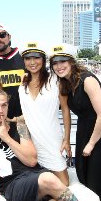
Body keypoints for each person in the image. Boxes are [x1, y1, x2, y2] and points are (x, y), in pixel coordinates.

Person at [0, 82, 97, 201]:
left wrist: (7, 138)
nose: (0, 110)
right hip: (13, 185)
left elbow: (31, 161)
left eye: (4, 105)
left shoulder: (19, 127)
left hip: (36, 177)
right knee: (49, 178)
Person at [50, 43, 101, 201]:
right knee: (84, 178)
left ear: (72, 62)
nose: (59, 66)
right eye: (55, 63)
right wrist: (66, 139)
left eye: (63, 61)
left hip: (99, 135)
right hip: (83, 133)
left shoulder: (87, 80)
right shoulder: (65, 83)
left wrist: (91, 143)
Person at [19, 42, 71, 186]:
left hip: (52, 139)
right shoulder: (22, 85)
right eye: (28, 58)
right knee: (39, 180)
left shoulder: (55, 81)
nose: (32, 62)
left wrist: (66, 139)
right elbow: (29, 113)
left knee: (64, 182)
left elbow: (65, 110)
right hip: (32, 142)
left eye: (36, 58)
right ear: (24, 61)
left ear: (43, 59)